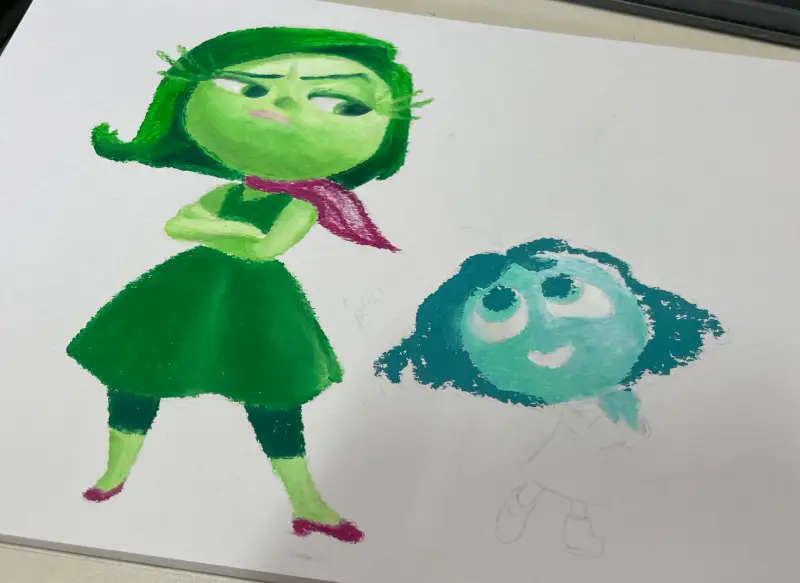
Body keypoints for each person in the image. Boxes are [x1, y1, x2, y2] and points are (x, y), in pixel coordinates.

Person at [67, 26, 429, 544]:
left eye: (340, 102)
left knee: (273, 398)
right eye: (251, 87)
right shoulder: (235, 190)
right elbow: (178, 225)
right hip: (184, 292)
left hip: (258, 302)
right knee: (134, 377)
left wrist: (215, 228)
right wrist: (228, 229)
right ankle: (114, 473)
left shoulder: (303, 202)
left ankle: (307, 502)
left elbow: (263, 249)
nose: (281, 102)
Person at [375, 237, 724, 553]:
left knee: (580, 493)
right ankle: (521, 506)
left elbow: (631, 422)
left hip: (591, 455)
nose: (548, 325)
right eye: (498, 304)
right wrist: (615, 432)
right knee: (547, 482)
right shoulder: (572, 400)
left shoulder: (619, 390)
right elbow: (593, 426)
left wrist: (630, 428)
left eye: (564, 288)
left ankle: (573, 531)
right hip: (573, 448)